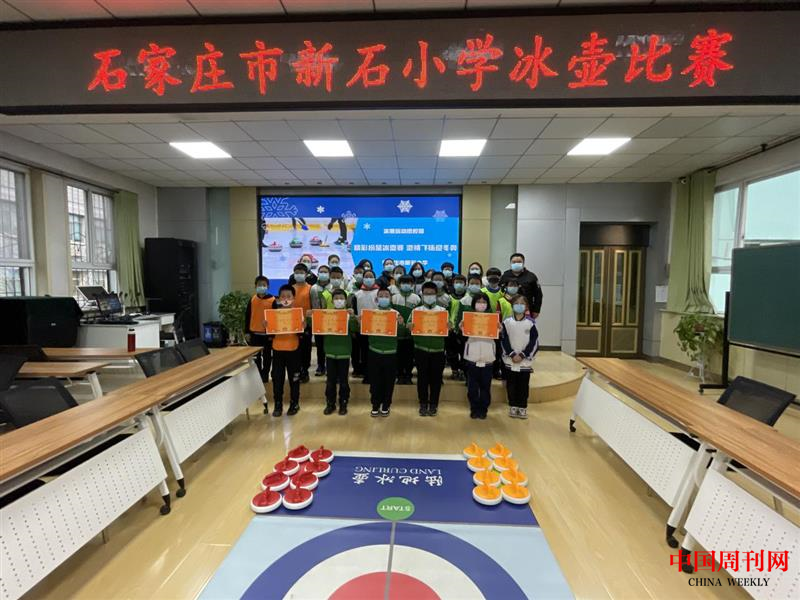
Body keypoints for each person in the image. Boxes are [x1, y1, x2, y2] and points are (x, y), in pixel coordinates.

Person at [409, 282, 447, 417]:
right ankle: (423, 403)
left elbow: (448, 329)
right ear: (422, 295)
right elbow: (409, 325)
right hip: (421, 349)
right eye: (426, 294)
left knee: (436, 379)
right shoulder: (416, 311)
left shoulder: (443, 311)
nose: (429, 296)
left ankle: (434, 404)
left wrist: (449, 326)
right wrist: (410, 326)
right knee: (422, 378)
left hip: (438, 350)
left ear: (436, 294)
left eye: (431, 294)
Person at [365, 286, 403, 417]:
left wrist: (401, 324)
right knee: (375, 381)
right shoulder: (371, 314)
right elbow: (365, 331)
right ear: (377, 299)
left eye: (386, 296)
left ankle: (386, 405)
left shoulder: (396, 313)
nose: (384, 298)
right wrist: (361, 322)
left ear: (390, 298)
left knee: (389, 381)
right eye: (381, 296)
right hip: (374, 351)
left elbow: (401, 334)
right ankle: (375, 404)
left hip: (390, 353)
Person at [500, 295, 539, 419]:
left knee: (523, 385)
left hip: (525, 362)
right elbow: (503, 340)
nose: (519, 305)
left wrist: (523, 355)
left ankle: (522, 406)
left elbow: (534, 342)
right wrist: (511, 354)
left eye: (522, 303)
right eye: (516, 303)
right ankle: (513, 405)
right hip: (510, 360)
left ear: (526, 306)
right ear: (512, 305)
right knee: (511, 385)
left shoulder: (531, 323)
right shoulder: (506, 322)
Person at [322, 288, 358, 416]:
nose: (339, 301)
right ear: (332, 301)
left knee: (343, 380)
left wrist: (352, 317)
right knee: (330, 381)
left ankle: (343, 402)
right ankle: (330, 403)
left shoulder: (349, 314)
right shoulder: (326, 314)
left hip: (344, 351)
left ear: (345, 301)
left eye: (341, 298)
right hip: (330, 351)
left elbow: (355, 329)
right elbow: (317, 327)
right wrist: (310, 317)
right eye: (336, 298)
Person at [461, 292, 496, 419]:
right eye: (478, 302)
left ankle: (483, 409)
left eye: (484, 302)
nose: (481, 304)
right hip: (472, 357)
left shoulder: (493, 318)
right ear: (474, 304)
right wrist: (462, 326)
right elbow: (463, 334)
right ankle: (474, 408)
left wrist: (499, 327)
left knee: (486, 386)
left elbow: (498, 333)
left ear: (487, 304)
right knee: (472, 386)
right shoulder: (468, 317)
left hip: (488, 358)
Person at [270, 284, 303, 417]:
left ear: (293, 298)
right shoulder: (273, 314)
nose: (285, 299)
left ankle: (294, 403)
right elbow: (270, 333)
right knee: (277, 379)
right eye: (283, 296)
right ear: (278, 298)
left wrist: (303, 326)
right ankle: (278, 405)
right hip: (277, 349)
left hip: (293, 350)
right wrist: (266, 326)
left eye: (288, 296)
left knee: (294, 379)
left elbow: (302, 334)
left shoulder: (298, 314)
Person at [245, 276, 274, 413]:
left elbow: (274, 318)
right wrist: (247, 331)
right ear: (255, 286)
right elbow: (247, 316)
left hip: (266, 334)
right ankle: (257, 376)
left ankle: (265, 374)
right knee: (256, 357)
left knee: (267, 356)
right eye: (259, 285)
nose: (261, 287)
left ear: (268, 286)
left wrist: (272, 333)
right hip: (254, 333)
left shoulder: (273, 300)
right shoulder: (252, 299)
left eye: (264, 285)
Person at [391, 274, 421, 385]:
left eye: (408, 283)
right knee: (398, 356)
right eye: (403, 283)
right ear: (399, 284)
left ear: (412, 284)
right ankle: (399, 375)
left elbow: (420, 315)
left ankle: (408, 375)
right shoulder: (394, 298)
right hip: (397, 334)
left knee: (409, 357)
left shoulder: (416, 299)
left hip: (410, 334)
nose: (406, 285)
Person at [352, 269, 379, 381]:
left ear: (375, 278)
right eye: (366, 277)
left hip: (377, 328)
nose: (368, 279)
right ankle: (365, 373)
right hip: (362, 328)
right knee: (364, 351)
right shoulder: (357, 294)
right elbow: (354, 312)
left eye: (371, 276)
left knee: (375, 352)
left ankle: (375, 373)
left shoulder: (380, 293)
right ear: (363, 279)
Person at [500, 253, 543, 318]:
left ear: (523, 263)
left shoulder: (531, 276)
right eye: (514, 262)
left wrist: (536, 310)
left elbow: (538, 295)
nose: (516, 264)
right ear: (510, 263)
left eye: (519, 262)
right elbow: (500, 291)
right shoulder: (505, 275)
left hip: (526, 310)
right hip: (508, 310)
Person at [481, 267, 505, 380]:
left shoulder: (503, 292)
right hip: (485, 324)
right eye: (491, 275)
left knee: (497, 350)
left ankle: (496, 370)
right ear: (487, 277)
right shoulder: (482, 291)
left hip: (498, 325)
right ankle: (487, 370)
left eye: (496, 275)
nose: (494, 278)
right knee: (487, 348)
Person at [291, 263, 313, 382]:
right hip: (293, 324)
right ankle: (296, 370)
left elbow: (314, 307)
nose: (299, 275)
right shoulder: (290, 289)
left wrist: (309, 320)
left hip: (306, 325)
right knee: (295, 348)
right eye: (297, 272)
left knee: (306, 349)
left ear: (306, 274)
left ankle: (305, 370)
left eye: (301, 273)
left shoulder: (311, 289)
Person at [310, 265, 331, 376]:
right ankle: (320, 365)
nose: (323, 274)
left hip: (330, 320)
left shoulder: (332, 287)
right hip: (317, 320)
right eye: (321, 272)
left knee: (329, 344)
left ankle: (329, 366)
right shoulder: (313, 288)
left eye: (325, 272)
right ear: (317, 274)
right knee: (319, 345)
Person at [446, 274, 468, 380]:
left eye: (461, 282)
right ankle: (454, 370)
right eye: (456, 282)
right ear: (453, 284)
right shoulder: (449, 298)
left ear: (465, 284)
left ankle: (463, 371)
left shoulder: (468, 298)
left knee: (464, 352)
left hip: (464, 329)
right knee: (451, 352)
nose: (459, 284)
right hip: (451, 329)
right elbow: (446, 312)